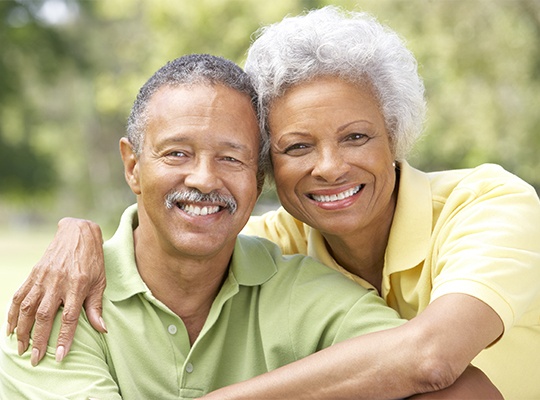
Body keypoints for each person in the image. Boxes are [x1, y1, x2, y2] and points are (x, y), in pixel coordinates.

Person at [7, 5, 540, 399]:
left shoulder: (489, 204)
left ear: (395, 137)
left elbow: (431, 358)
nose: (329, 166)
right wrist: (79, 233)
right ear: (270, 167)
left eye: (355, 137)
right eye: (298, 146)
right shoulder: (270, 249)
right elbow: (182, 231)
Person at [1, 53, 412, 399]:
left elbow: (453, 381)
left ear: (259, 179)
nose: (204, 179)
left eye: (231, 158)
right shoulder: (60, 300)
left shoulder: (306, 294)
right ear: (133, 167)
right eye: (177, 153)